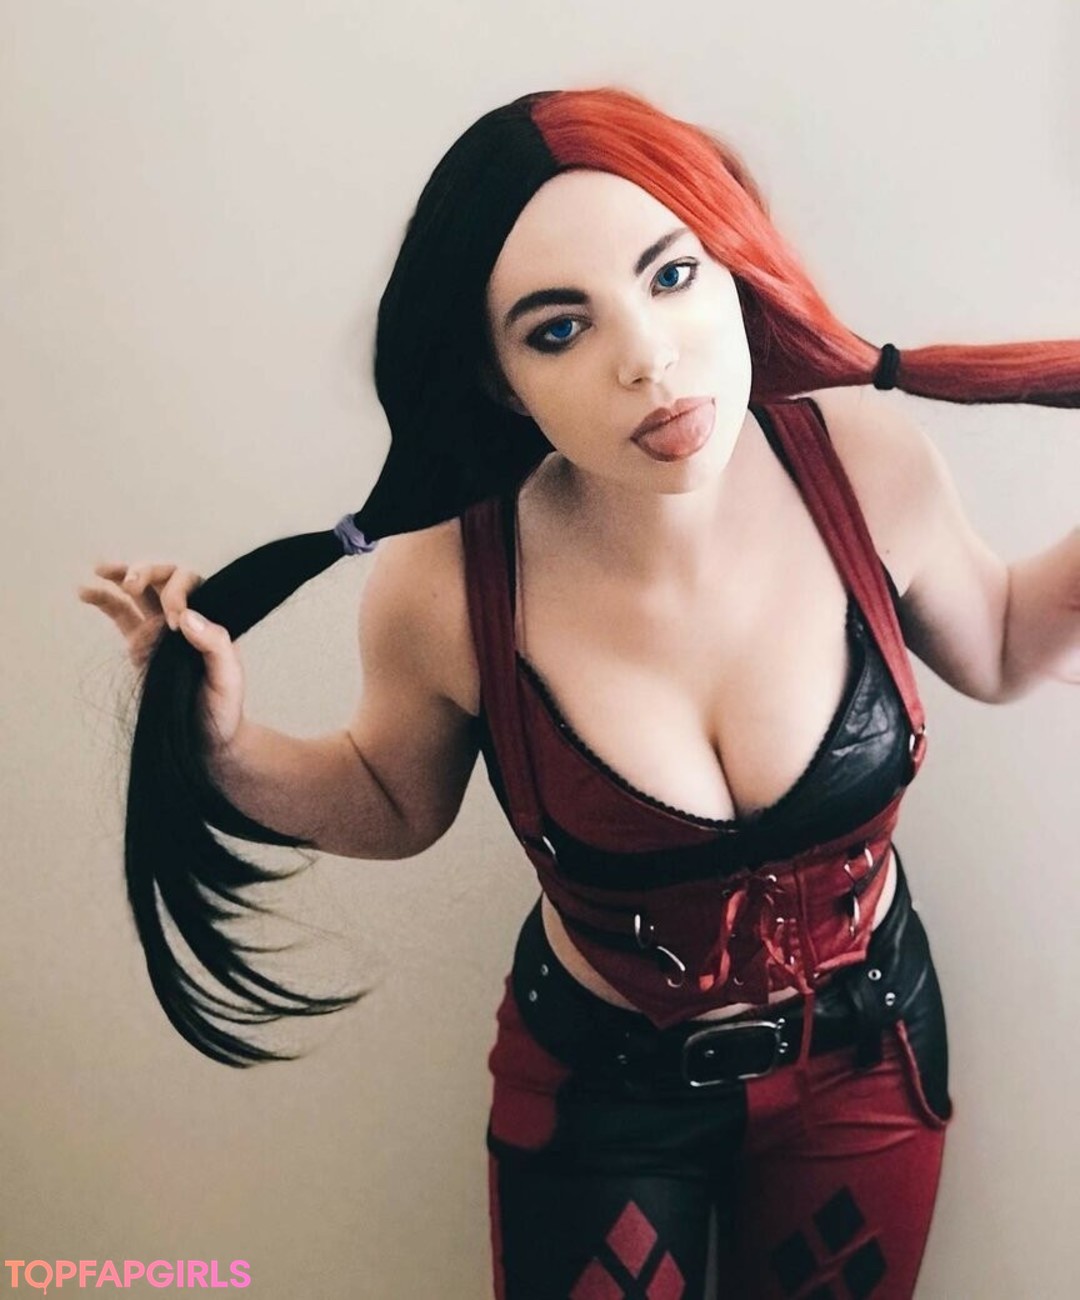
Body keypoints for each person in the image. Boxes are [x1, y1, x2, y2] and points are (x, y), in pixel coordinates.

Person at [78, 87, 1079, 1299]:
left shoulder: (866, 468)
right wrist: (220, 744)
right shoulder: (448, 580)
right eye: (559, 329)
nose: (645, 357)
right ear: (503, 380)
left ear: (735, 263)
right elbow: (394, 800)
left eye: (673, 275)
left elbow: (1007, 642)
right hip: (602, 1098)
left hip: (867, 1064)